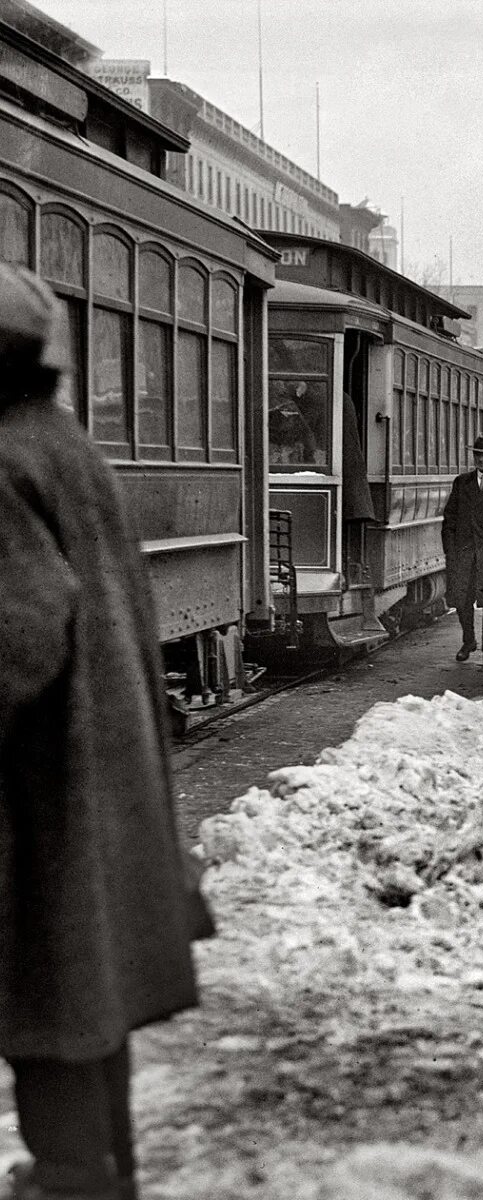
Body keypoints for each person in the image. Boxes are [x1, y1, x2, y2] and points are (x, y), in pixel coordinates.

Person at [0, 264, 213, 1200]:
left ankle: (69, 1177)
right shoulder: (64, 442)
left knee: (46, 984)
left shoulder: (0, 459)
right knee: (88, 986)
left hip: (39, 779)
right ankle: (101, 1168)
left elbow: (21, 630)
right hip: (102, 761)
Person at [441, 434, 483, 666]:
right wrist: (450, 550)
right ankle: (468, 640)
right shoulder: (462, 482)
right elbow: (449, 518)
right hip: (464, 552)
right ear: (473, 456)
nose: (481, 460)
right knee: (462, 599)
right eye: (478, 455)